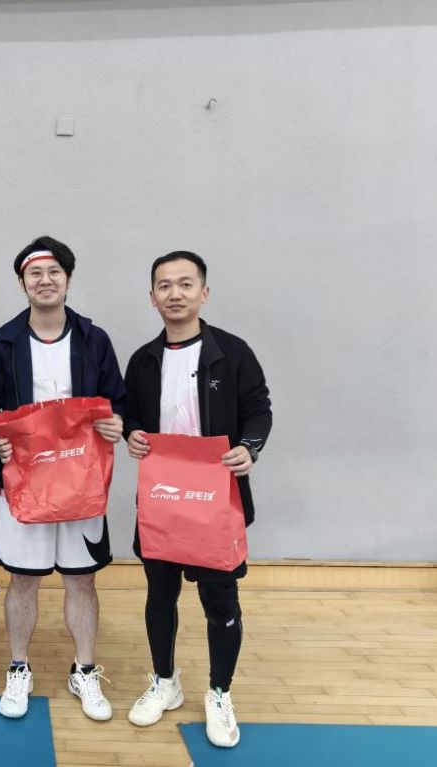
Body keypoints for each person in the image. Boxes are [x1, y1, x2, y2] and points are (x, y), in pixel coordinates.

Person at [123, 251, 272, 748]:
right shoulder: (143, 360)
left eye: (185, 284)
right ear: (152, 297)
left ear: (204, 293)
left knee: (219, 600)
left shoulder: (232, 352)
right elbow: (130, 415)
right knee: (159, 595)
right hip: (162, 500)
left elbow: (259, 409)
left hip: (216, 499)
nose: (175, 293)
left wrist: (249, 447)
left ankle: (219, 692)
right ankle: (165, 682)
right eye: (164, 285)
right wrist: (132, 433)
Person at [0, 236, 126, 721]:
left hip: (81, 484)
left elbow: (117, 400)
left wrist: (117, 422)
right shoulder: (3, 342)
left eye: (54, 271)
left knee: (82, 580)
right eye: (35, 273)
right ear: (22, 282)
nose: (45, 281)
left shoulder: (94, 339)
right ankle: (19, 667)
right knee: (23, 580)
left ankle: (85, 670)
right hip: (24, 484)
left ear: (68, 279)